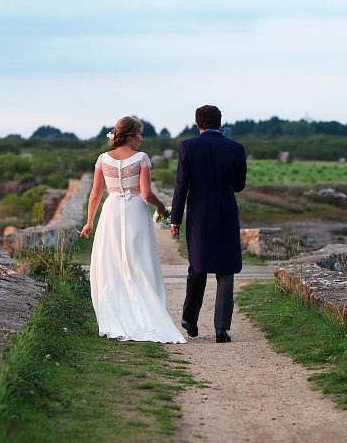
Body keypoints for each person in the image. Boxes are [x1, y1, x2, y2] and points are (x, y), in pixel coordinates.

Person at [80, 116, 186, 344]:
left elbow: (96, 194)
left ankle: (118, 311)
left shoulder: (102, 159)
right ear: (129, 135)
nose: (141, 138)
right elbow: (146, 193)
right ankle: (146, 308)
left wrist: (89, 222)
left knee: (114, 262)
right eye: (139, 134)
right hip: (136, 210)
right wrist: (161, 207)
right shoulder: (141, 158)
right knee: (139, 260)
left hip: (111, 212)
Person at [170, 105, 247, 343]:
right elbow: (239, 185)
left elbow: (182, 185)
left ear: (198, 124)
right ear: (220, 123)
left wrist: (175, 219)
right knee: (226, 268)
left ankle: (189, 319)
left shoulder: (188, 146)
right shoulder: (236, 148)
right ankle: (221, 329)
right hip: (225, 210)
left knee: (198, 265)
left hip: (199, 212)